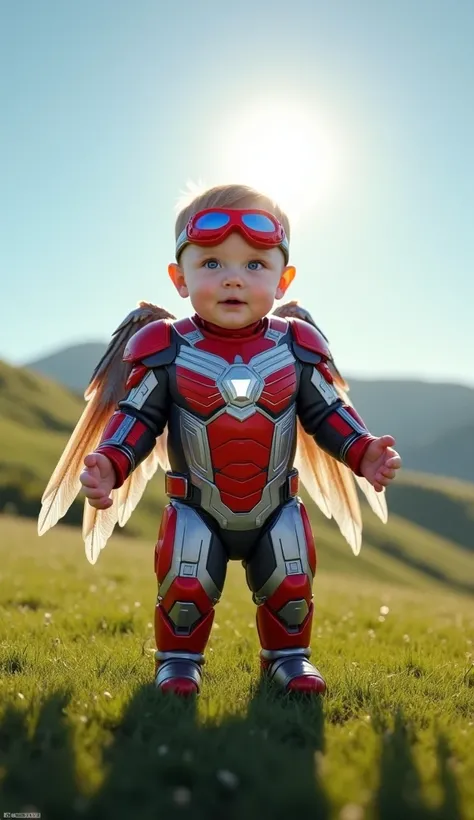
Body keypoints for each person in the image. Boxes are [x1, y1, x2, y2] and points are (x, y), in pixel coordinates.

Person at [38, 183, 401, 697]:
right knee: (185, 586)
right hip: (196, 508)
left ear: (284, 279)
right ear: (179, 279)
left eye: (255, 265)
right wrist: (110, 463)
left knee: (291, 583)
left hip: (275, 504)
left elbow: (328, 411)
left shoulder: (297, 345)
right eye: (211, 264)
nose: (233, 278)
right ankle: (179, 663)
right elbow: (137, 417)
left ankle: (288, 660)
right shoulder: (165, 346)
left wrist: (364, 451)